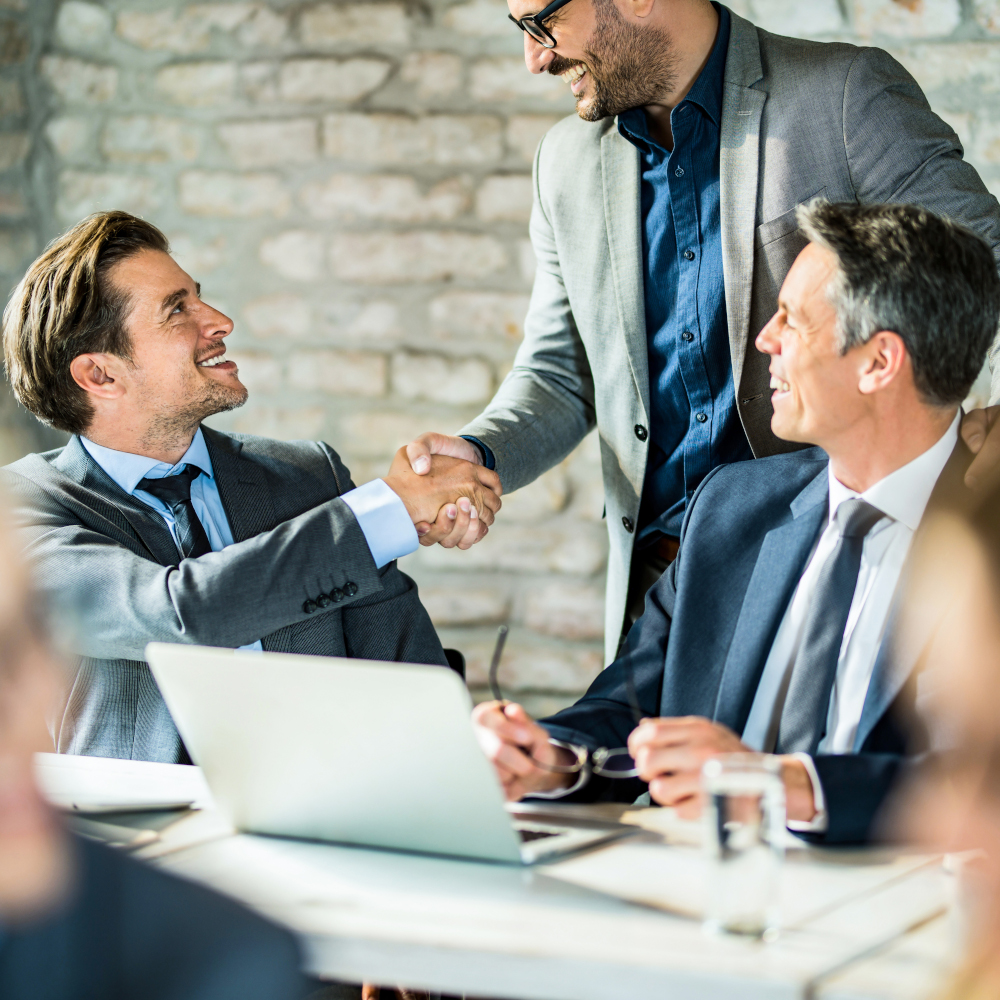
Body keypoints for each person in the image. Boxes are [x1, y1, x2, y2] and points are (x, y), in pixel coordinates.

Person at [403, 0, 1000, 664]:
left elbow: (982, 263)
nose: (536, 57)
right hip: (655, 593)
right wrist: (479, 452)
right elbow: (563, 373)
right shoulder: (562, 163)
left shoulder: (844, 97)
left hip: (829, 579)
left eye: (542, 23)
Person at [472, 200, 1000, 844]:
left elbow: (975, 779)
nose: (764, 340)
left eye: (793, 321)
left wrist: (782, 787)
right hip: (695, 894)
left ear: (878, 363)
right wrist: (551, 759)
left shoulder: (984, 539)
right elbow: (626, 709)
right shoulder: (732, 508)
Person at [0, 211, 502, 764]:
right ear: (101, 375)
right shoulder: (22, 512)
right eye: (177, 311)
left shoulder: (311, 477)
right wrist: (392, 508)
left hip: (339, 821)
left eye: (198, 297)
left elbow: (412, 680)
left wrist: (478, 758)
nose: (219, 321)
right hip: (140, 842)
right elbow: (180, 614)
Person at [0, 504, 309, 1000]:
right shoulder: (42, 502)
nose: (36, 697)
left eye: (26, 638)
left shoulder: (226, 958)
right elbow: (184, 608)